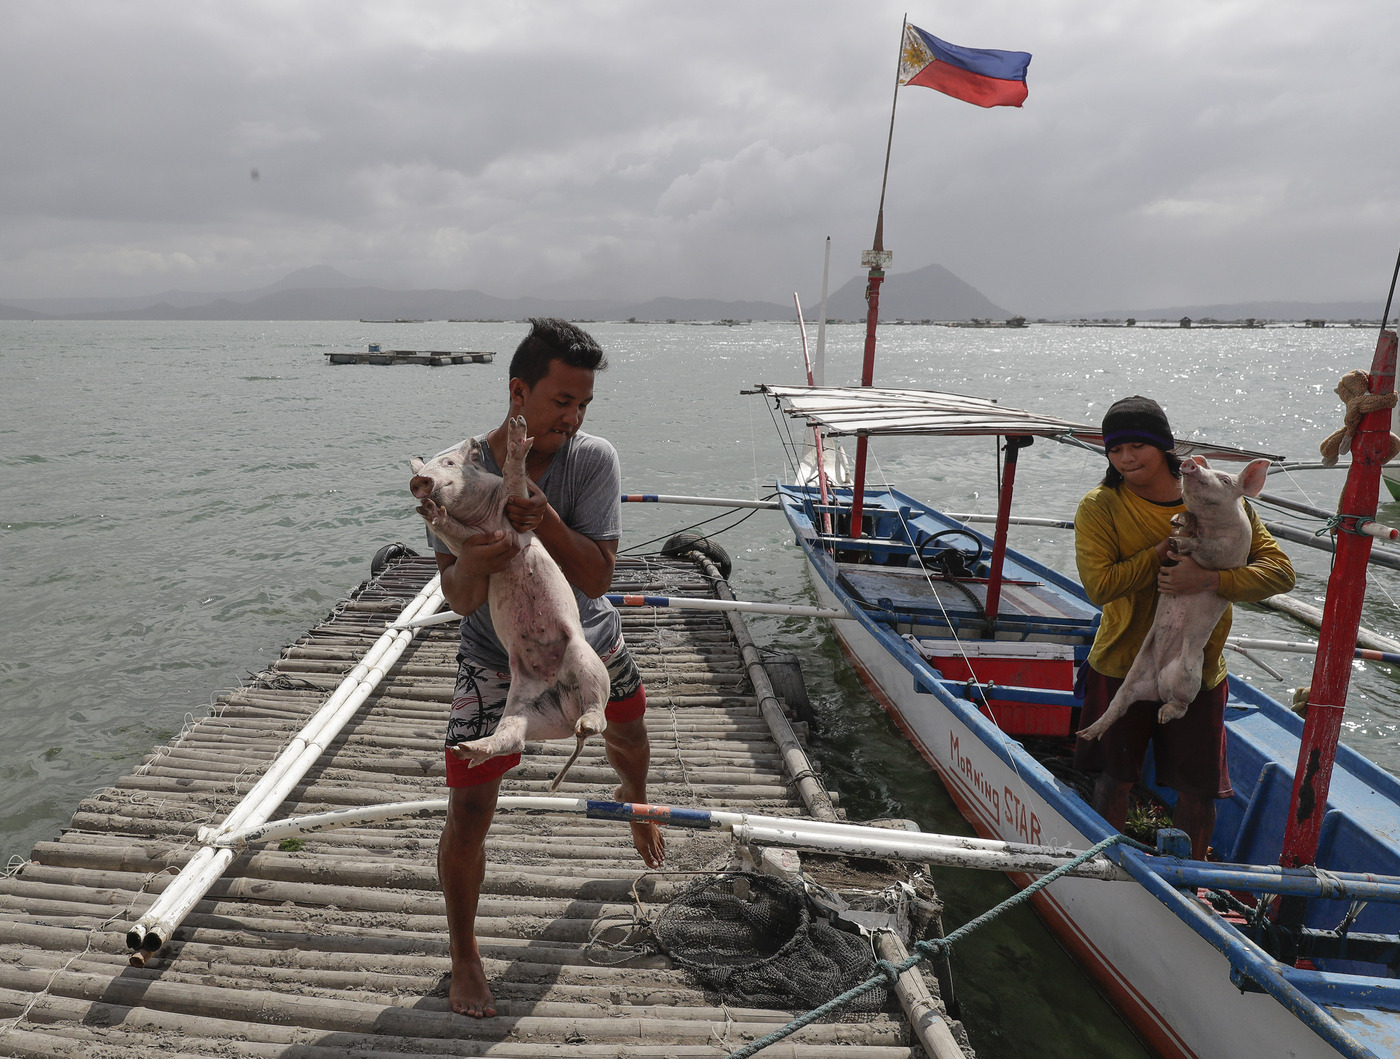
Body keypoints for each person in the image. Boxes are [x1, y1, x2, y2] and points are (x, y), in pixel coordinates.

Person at [424, 317, 664, 1019]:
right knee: (468, 807)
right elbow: (459, 598)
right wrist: (471, 558)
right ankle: (465, 955)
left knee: (629, 731)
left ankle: (635, 799)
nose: (574, 417)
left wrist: (547, 518)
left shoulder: (593, 461)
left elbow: (595, 577)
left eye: (584, 403)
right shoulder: (453, 473)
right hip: (492, 657)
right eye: (562, 401)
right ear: (518, 391)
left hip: (587, 637)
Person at [1073, 395, 1294, 860]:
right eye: (1116, 450)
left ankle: (1191, 880)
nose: (1127, 458)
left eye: (1138, 446)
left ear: (1165, 447)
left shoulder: (1219, 497)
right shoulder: (1101, 507)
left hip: (1199, 666)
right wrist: (1161, 551)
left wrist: (1211, 578)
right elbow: (1099, 587)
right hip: (1120, 662)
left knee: (1198, 792)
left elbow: (1280, 573)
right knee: (1114, 779)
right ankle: (1104, 868)